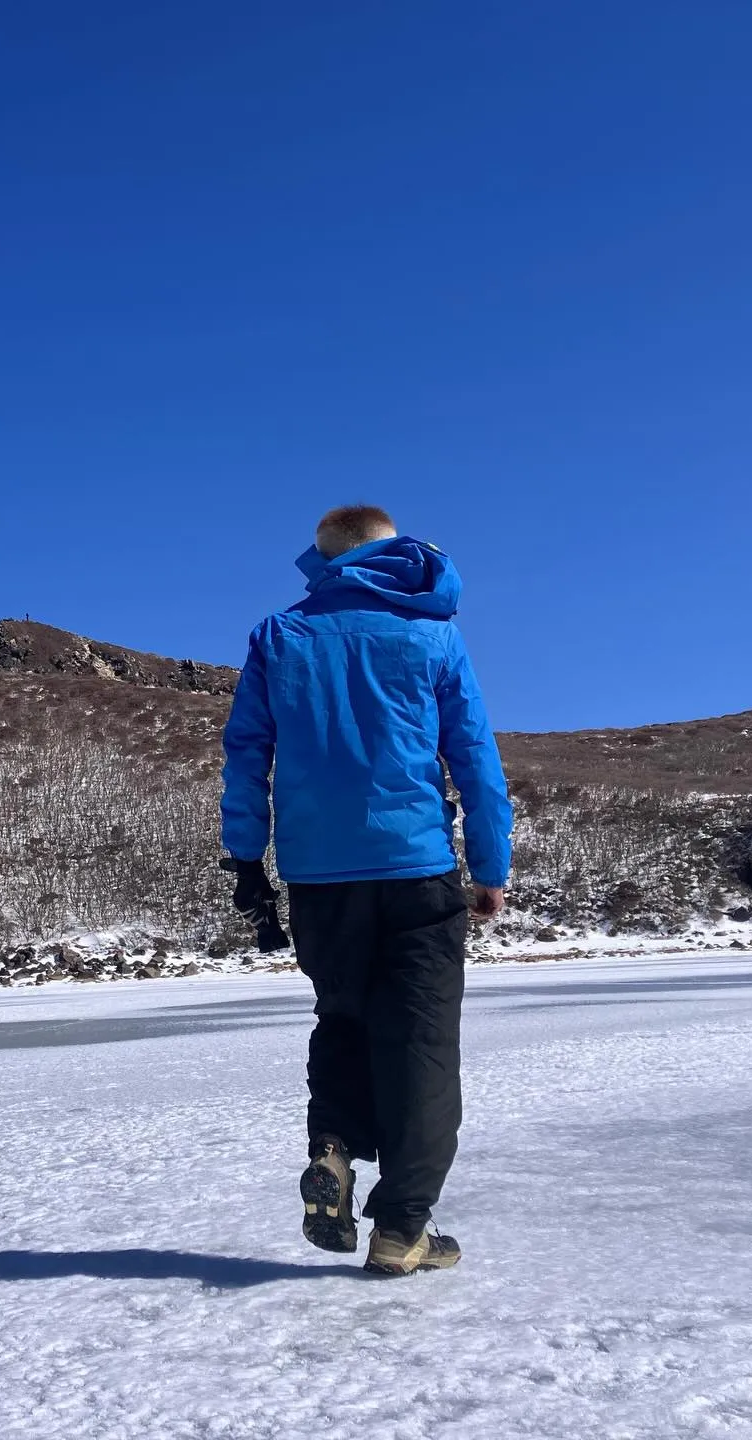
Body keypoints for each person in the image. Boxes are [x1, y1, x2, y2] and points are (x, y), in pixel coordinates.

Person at [219, 504, 512, 1276]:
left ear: (323, 562)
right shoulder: (433, 634)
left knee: (342, 1022)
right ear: (396, 553)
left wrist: (246, 861)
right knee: (420, 1047)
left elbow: (246, 754)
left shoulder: (279, 636)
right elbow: (474, 755)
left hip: (318, 881)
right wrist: (490, 866)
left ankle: (334, 1148)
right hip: (416, 872)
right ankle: (402, 1228)